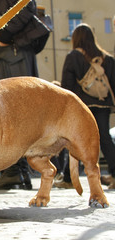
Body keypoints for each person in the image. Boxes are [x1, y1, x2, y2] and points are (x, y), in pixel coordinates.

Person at [0, 0, 45, 190]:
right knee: (8, 114)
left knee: (16, 113)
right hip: (0, 54)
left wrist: (4, 37)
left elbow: (27, 7)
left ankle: (16, 172)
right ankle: (18, 171)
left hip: (13, 52)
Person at [61, 23, 115, 190]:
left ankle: (69, 178)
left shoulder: (73, 57)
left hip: (81, 106)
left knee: (74, 140)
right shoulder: (108, 59)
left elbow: (66, 86)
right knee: (105, 138)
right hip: (103, 104)